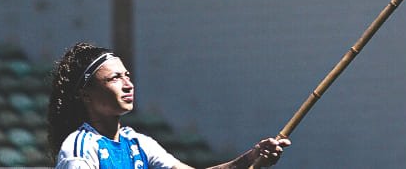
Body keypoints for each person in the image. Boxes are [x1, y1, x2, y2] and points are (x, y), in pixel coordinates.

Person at [49, 42, 290, 169]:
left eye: (127, 75)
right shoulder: (79, 150)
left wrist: (251, 158)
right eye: (114, 78)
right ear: (85, 94)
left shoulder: (138, 143)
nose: (128, 84)